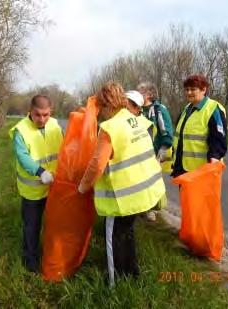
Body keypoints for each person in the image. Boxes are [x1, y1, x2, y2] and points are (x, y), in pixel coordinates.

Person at [78, 82, 165, 286]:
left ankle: (114, 282)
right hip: (143, 192)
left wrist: (82, 187)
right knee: (127, 232)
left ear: (107, 106)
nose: (100, 114)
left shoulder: (110, 128)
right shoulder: (135, 120)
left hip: (123, 199)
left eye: (101, 108)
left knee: (114, 236)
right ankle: (131, 273)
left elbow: (96, 165)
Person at [9, 95, 63, 273]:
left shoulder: (55, 125)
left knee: (54, 224)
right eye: (37, 115)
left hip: (54, 188)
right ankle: (30, 261)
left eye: (46, 115)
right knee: (32, 227)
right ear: (30, 111)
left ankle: (52, 255)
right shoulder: (21, 130)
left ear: (51, 111)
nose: (42, 119)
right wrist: (40, 172)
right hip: (32, 191)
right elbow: (23, 157)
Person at [171, 74, 227, 177]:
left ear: (203, 90)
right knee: (184, 194)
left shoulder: (213, 108)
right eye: (187, 89)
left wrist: (215, 156)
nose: (189, 92)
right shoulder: (187, 108)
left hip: (201, 171)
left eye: (193, 89)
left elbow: (218, 138)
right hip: (182, 168)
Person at [137, 82, 174, 221]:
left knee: (151, 182)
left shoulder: (159, 110)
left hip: (153, 155)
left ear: (149, 94)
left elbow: (167, 134)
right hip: (139, 155)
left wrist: (160, 155)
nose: (137, 92)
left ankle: (152, 210)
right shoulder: (137, 109)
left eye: (141, 90)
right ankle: (141, 208)